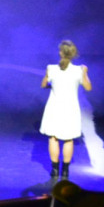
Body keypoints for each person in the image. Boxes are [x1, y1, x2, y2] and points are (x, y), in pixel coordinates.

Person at [40, 39, 91, 180]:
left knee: (53, 138)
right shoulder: (79, 70)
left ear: (60, 53)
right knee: (68, 140)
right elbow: (88, 87)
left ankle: (55, 169)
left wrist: (51, 84)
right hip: (70, 109)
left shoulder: (51, 68)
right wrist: (85, 73)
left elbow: (43, 84)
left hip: (54, 108)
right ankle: (65, 171)